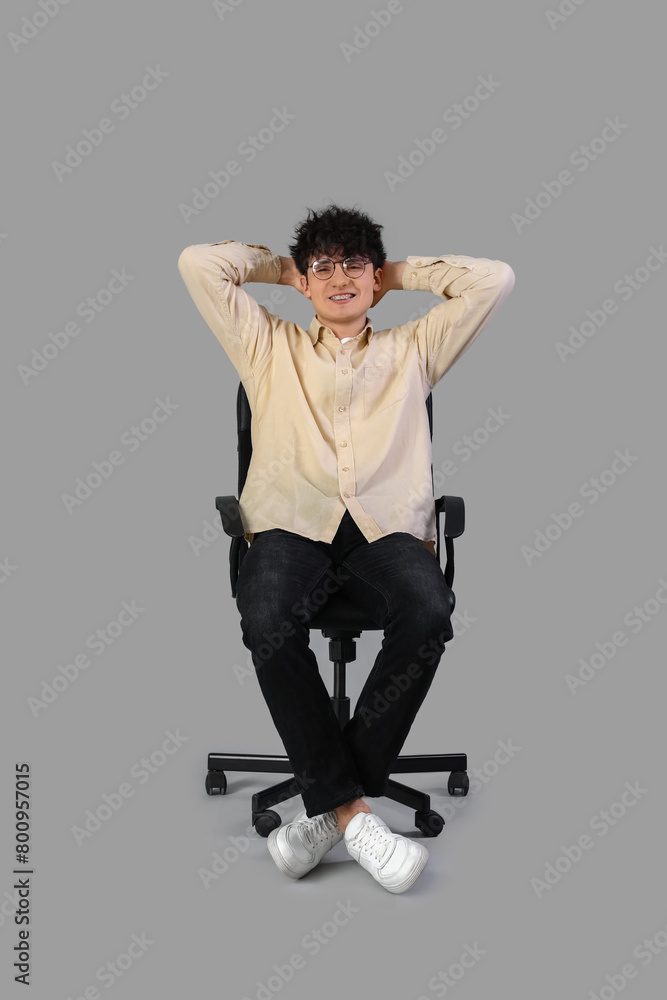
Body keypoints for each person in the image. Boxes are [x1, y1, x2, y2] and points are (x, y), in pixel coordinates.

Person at [177, 203, 515, 893]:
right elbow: (197, 263)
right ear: (303, 282)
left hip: (384, 533)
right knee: (266, 617)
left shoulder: (414, 348)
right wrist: (289, 269)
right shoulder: (264, 345)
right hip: (289, 528)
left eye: (353, 265)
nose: (338, 279)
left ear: (374, 276)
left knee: (429, 610)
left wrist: (391, 274)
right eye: (322, 267)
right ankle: (356, 813)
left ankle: (327, 816)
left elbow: (494, 278)